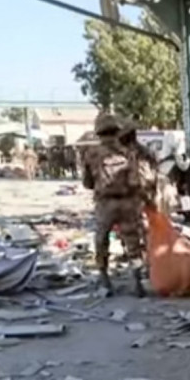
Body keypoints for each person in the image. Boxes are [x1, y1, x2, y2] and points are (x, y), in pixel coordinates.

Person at [82, 113, 145, 297]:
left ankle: (105, 281)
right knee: (132, 241)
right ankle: (137, 283)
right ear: (117, 130)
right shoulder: (128, 153)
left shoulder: (91, 154)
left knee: (102, 240)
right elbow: (136, 182)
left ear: (99, 132)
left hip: (105, 204)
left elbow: (87, 184)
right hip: (127, 202)